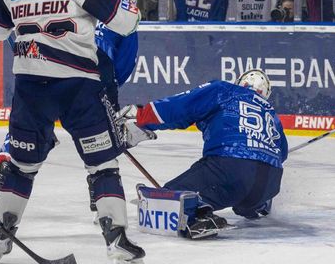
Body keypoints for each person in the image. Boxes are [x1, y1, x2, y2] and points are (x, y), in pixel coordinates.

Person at [0, 0, 144, 263]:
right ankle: (116, 239)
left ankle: (0, 238)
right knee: (102, 166)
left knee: (22, 167)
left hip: (29, 88)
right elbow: (126, 21)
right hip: (78, 88)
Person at [118, 70, 287, 239]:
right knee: (243, 192)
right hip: (270, 181)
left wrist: (142, 118)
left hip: (230, 166)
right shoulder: (272, 114)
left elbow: (181, 107)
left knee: (167, 200)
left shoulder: (225, 90)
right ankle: (257, 205)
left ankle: (197, 213)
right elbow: (283, 153)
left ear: (239, 82)